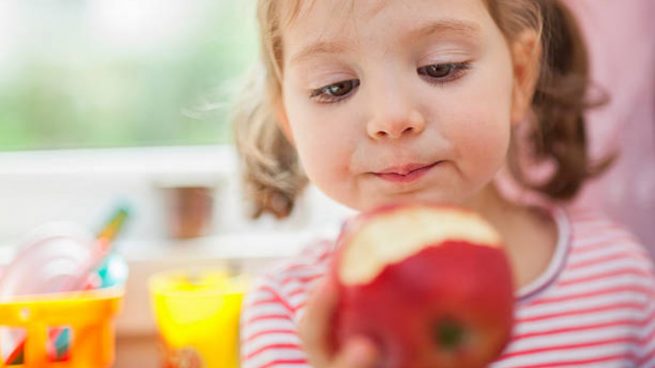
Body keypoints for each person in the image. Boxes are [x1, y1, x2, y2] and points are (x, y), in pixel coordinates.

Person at [234, 0, 655, 367]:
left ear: (520, 77)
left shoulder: (619, 277)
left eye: (440, 67)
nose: (391, 119)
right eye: (336, 87)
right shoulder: (290, 315)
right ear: (288, 119)